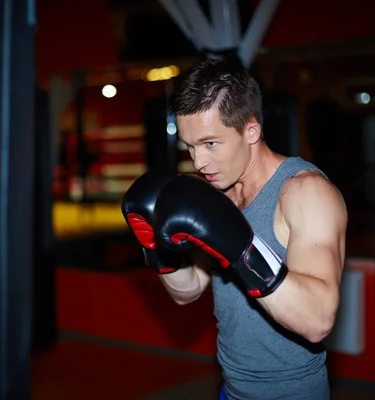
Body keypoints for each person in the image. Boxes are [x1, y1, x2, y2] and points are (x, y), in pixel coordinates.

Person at [122, 56, 347, 400]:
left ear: (251, 130)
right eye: (191, 146)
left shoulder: (305, 193)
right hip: (232, 391)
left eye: (210, 143)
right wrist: (158, 252)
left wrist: (244, 250)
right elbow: (190, 290)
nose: (198, 162)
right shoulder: (215, 194)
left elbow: (317, 322)